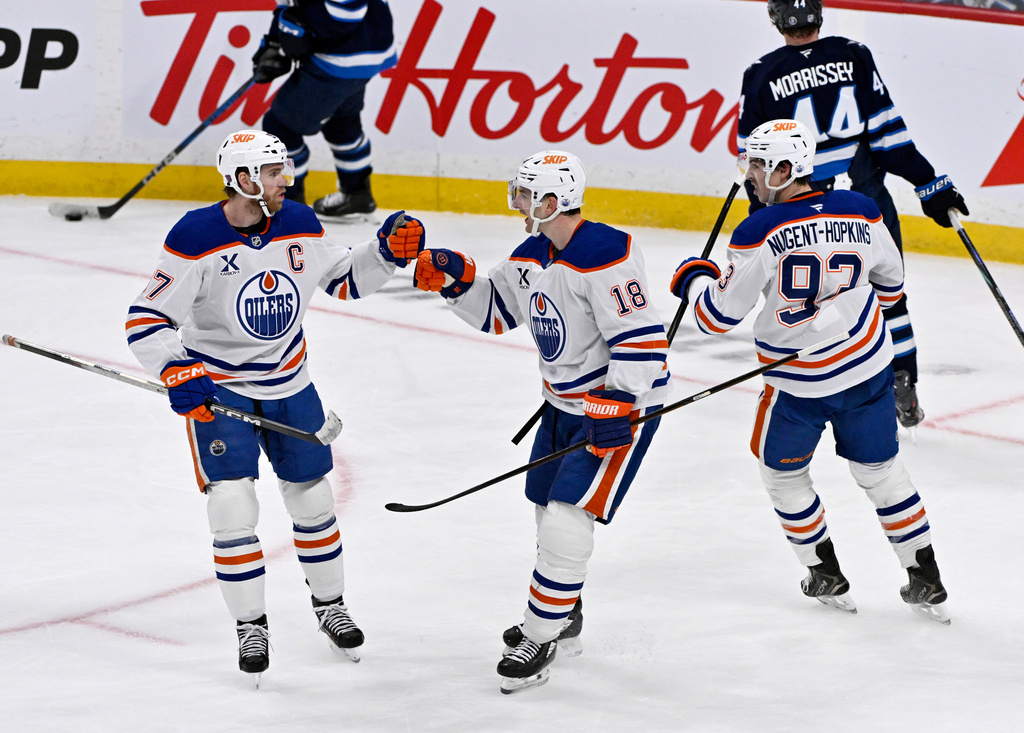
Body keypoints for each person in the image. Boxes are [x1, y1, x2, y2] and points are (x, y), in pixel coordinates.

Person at [124, 129, 424, 684]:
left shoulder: (300, 223)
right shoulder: (196, 236)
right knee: (232, 507)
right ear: (241, 179)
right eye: (273, 172)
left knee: (313, 502)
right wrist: (174, 367)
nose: (286, 179)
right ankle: (250, 625)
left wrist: (384, 254)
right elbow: (146, 318)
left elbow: (342, 278)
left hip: (291, 386)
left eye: (284, 169)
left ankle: (330, 606)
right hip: (221, 391)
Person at [411, 151, 671, 693]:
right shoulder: (532, 253)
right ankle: (563, 613)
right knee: (543, 511)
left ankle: (541, 634)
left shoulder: (607, 252)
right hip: (561, 404)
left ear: (553, 202)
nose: (519, 203)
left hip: (614, 407)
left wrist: (621, 402)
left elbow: (642, 342)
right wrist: (455, 281)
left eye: (527, 195)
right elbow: (497, 311)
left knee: (566, 517)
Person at [670, 119, 949, 624]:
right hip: (868, 370)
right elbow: (892, 284)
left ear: (782, 169)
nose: (748, 173)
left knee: (782, 474)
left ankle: (824, 571)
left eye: (756, 163)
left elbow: (716, 317)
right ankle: (925, 576)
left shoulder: (757, 230)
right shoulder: (862, 210)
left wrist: (694, 279)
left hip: (798, 385)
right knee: (882, 473)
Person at [738, 0, 970, 428]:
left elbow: (759, 165)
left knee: (818, 303)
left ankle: (831, 388)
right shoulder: (854, 54)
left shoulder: (761, 74)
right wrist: (929, 184)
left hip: (801, 215)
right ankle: (902, 379)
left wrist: (759, 219)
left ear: (774, 18)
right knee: (889, 298)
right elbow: (889, 137)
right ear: (820, 15)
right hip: (863, 206)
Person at [250, 0, 397, 217]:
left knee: (281, 127)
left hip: (344, 54)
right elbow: (290, 5)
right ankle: (357, 195)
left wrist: (301, 32)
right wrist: (275, 42)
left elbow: (346, 13)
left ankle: (288, 206)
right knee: (341, 122)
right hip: (361, 51)